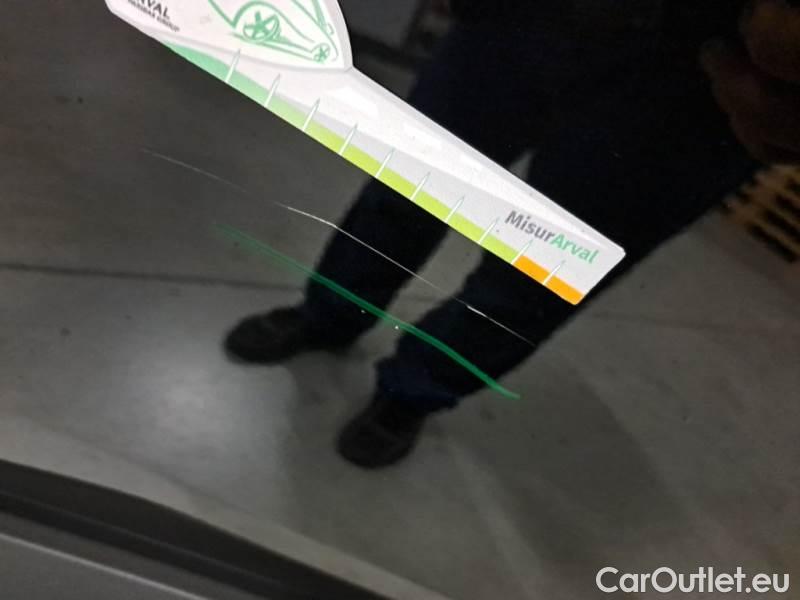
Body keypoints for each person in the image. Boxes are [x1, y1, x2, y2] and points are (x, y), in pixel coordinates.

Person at [225, 0, 800, 468]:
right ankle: (330, 313)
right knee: (411, 182)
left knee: (541, 271)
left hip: (709, 86)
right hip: (534, 16)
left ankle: (416, 388)